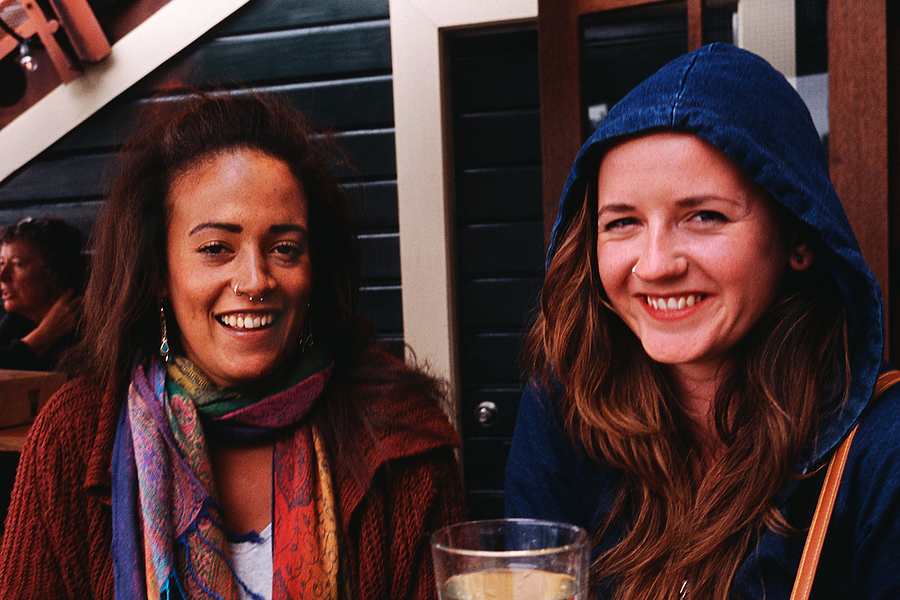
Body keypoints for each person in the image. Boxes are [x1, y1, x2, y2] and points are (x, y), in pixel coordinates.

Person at [0, 92, 466, 599]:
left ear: (313, 271)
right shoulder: (72, 437)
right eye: (216, 248)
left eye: (284, 248)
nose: (255, 279)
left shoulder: (398, 436)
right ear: (159, 271)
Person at [505, 43, 900, 599]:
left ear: (799, 237)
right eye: (622, 222)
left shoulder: (883, 448)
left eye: (704, 216)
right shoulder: (565, 407)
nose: (655, 265)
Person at [0, 215, 84, 371]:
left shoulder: (83, 328)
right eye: (2, 263)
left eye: (18, 264)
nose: (2, 276)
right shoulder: (19, 319)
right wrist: (43, 335)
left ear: (53, 272)